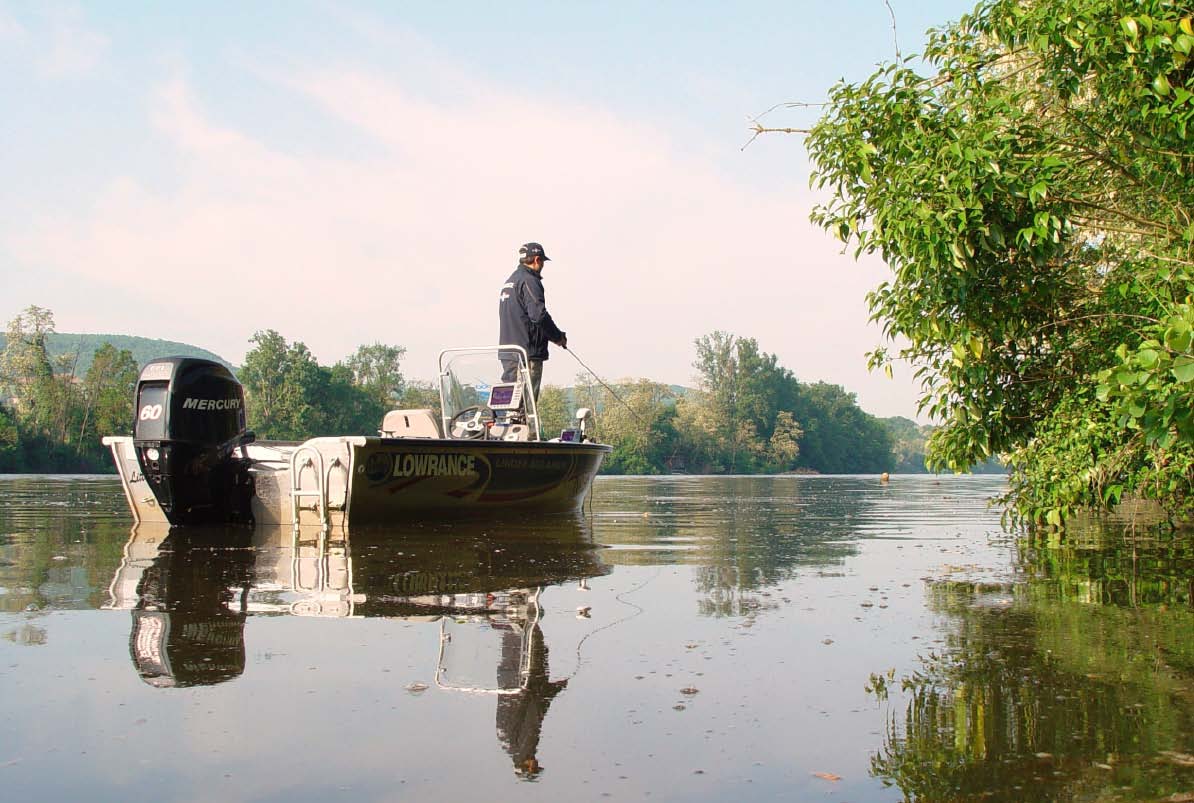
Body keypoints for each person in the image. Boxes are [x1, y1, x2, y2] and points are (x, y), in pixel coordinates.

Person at [498, 242, 567, 401]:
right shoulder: (529, 280)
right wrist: (557, 337)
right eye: (542, 261)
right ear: (537, 260)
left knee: (511, 405)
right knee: (526, 408)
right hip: (526, 354)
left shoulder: (510, 281)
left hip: (509, 353)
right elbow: (538, 316)